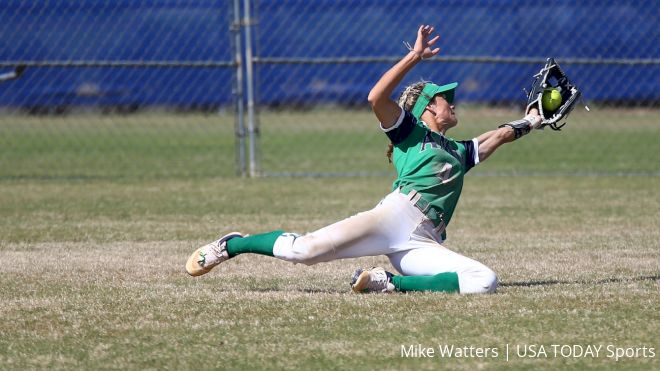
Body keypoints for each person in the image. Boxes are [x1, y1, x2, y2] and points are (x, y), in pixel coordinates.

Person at [186, 24, 542, 294]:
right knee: (303, 251)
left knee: (484, 281)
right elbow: (376, 97)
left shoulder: (456, 151)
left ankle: (388, 284)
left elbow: (493, 138)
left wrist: (529, 121)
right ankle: (232, 244)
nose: (452, 101)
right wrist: (414, 57)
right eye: (444, 97)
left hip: (423, 240)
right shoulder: (410, 133)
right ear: (427, 107)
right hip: (394, 216)